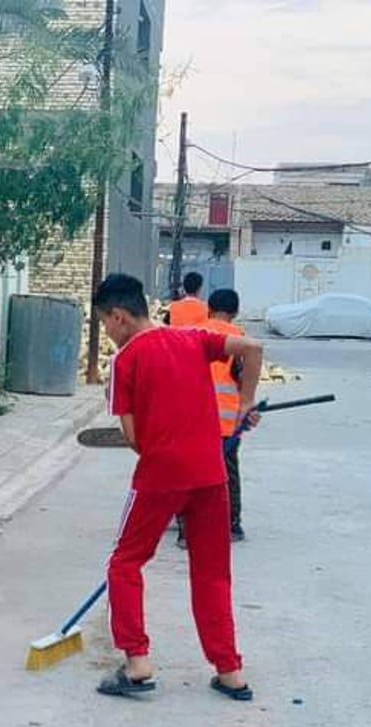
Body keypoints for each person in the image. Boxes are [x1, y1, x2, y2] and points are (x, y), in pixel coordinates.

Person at [93, 273, 263, 701]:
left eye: (105, 325)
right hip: (210, 474)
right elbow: (253, 348)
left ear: (118, 317)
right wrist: (244, 402)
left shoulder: (125, 362)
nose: (107, 334)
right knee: (212, 573)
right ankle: (230, 671)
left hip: (160, 475)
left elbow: (132, 436)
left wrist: (158, 443)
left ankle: (137, 663)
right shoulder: (192, 339)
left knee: (125, 563)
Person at [201, 289, 247, 542]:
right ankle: (232, 525)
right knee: (227, 473)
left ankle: (187, 531)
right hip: (226, 423)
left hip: (194, 421)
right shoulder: (239, 338)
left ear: (209, 307)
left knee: (191, 472)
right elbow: (242, 378)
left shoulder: (193, 332)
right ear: (235, 312)